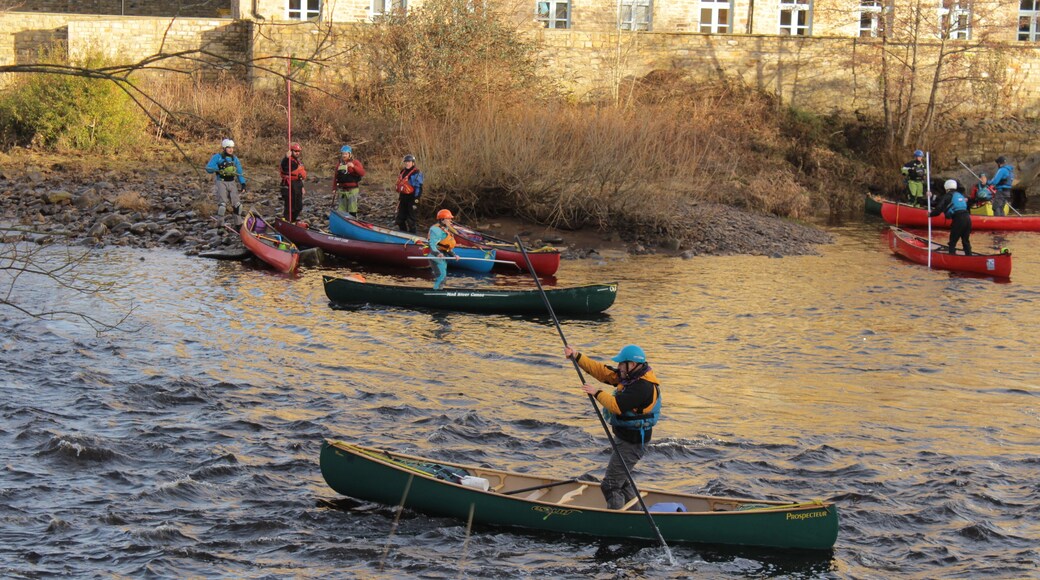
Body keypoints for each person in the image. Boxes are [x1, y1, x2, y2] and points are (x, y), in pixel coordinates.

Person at [563, 344, 661, 511]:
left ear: (633, 365)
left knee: (610, 485)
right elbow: (602, 372)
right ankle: (636, 514)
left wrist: (596, 393)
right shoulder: (631, 377)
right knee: (621, 481)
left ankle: (616, 518)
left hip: (633, 443)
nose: (619, 367)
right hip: (625, 439)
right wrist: (577, 356)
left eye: (622, 364)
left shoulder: (642, 387)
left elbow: (616, 405)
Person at [205, 138, 246, 226]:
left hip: (232, 182)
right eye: (228, 147)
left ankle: (238, 225)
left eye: (232, 147)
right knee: (222, 206)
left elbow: (239, 172)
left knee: (237, 206)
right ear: (224, 148)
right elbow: (208, 168)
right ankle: (221, 225)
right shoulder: (217, 157)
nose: (231, 149)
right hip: (221, 182)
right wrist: (218, 168)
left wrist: (243, 183)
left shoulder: (234, 159)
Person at [930, 179, 972, 255]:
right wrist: (932, 196)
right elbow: (941, 200)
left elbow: (939, 208)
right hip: (968, 219)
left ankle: (951, 257)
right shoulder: (959, 195)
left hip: (959, 220)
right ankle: (969, 256)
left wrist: (930, 214)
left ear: (946, 187)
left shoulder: (948, 195)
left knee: (952, 242)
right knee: (965, 241)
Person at [427, 209, 459, 290]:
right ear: (442, 219)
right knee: (441, 277)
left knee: (443, 278)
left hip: (442, 255)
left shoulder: (445, 229)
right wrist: (438, 254)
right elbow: (432, 245)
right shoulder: (436, 230)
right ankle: (435, 295)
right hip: (435, 256)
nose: (450, 220)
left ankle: (438, 292)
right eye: (448, 218)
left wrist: (454, 255)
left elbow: (446, 246)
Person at [332, 145, 365, 217]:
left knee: (352, 208)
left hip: (352, 189)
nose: (344, 155)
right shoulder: (339, 164)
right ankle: (342, 221)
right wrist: (334, 188)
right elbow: (336, 177)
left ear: (350, 154)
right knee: (341, 209)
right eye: (343, 154)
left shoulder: (355, 162)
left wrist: (353, 166)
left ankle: (353, 220)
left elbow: (362, 173)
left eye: (346, 154)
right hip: (342, 190)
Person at [395, 154, 424, 233]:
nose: (407, 163)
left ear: (413, 163)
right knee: (400, 219)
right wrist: (400, 198)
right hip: (403, 197)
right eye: (406, 162)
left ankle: (412, 236)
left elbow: (419, 187)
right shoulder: (402, 171)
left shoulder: (417, 173)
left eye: (409, 162)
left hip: (412, 198)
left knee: (411, 220)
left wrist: (416, 198)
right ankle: (403, 234)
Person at [279, 142, 307, 222]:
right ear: (291, 151)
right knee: (290, 206)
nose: (297, 153)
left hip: (297, 185)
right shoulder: (288, 161)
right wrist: (286, 157)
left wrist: (302, 187)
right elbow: (284, 167)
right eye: (295, 151)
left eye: (298, 151)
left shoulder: (297, 161)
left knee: (299, 206)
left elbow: (300, 176)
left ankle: (293, 220)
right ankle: (287, 220)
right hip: (288, 184)